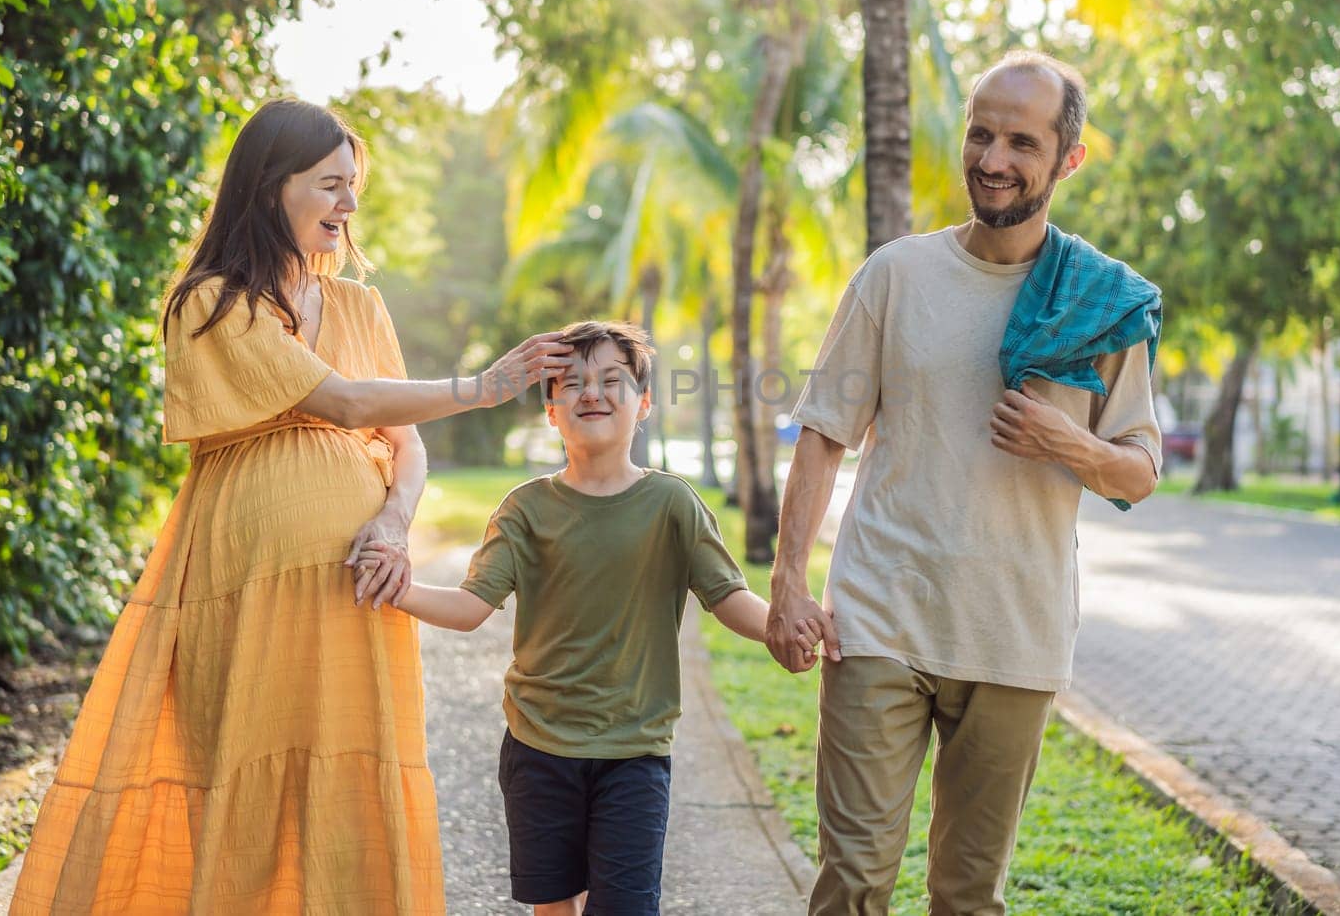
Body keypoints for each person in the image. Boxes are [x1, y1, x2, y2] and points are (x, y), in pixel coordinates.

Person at [11, 98, 572, 915]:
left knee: (352, 774)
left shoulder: (360, 308)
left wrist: (390, 520)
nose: (348, 206)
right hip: (243, 588)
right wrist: (483, 387)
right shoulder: (211, 302)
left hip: (356, 589)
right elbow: (343, 401)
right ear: (273, 186)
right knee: (242, 779)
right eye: (331, 185)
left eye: (354, 188)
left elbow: (401, 441)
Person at [768, 51, 1164, 916]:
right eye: (981, 134)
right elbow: (824, 433)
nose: (992, 158)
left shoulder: (1102, 302)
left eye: (1021, 140)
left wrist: (1070, 443)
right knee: (854, 881)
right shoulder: (894, 274)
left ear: (1068, 156)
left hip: (1014, 634)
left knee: (968, 895)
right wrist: (790, 580)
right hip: (880, 615)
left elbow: (1138, 469)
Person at [369, 321, 793, 916]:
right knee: (553, 905)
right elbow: (470, 608)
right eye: (570, 383)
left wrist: (786, 625)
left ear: (642, 404)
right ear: (550, 411)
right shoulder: (525, 509)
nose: (591, 393)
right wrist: (400, 589)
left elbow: (727, 597)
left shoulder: (673, 503)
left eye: (611, 380)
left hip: (634, 750)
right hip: (538, 745)